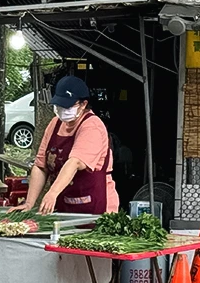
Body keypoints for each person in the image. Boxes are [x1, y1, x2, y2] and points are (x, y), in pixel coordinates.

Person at [11, 75, 119, 215]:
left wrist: (52, 193)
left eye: (67, 106)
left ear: (83, 104)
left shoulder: (92, 127)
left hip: (94, 207)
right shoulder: (54, 124)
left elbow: (75, 162)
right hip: (63, 206)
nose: (62, 110)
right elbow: (40, 166)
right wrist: (29, 203)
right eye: (59, 106)